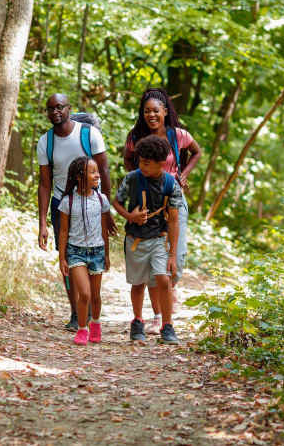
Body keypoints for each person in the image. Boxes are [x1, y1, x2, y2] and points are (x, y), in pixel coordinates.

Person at [123, 88, 201, 331]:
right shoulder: (135, 136)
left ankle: (168, 290)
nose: (151, 115)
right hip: (147, 202)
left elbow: (197, 152)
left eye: (156, 110)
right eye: (147, 111)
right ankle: (159, 316)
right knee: (152, 258)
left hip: (173, 200)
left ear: (165, 111)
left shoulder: (178, 135)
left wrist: (183, 174)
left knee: (176, 258)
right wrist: (137, 179)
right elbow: (127, 160)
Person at [36, 93, 112, 330]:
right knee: (68, 258)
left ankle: (89, 304)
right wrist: (42, 223)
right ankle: (75, 312)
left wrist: (107, 210)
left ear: (69, 108)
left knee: (92, 253)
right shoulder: (45, 142)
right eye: (51, 108)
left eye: (60, 107)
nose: (55, 112)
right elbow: (44, 184)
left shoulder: (89, 135)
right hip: (63, 204)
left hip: (92, 202)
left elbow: (104, 171)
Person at [112, 135, 184, 345]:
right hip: (136, 240)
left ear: (160, 163)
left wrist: (172, 254)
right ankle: (137, 321)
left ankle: (167, 326)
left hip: (159, 239)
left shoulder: (171, 184)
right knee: (138, 283)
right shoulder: (132, 179)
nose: (142, 166)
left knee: (163, 279)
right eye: (140, 161)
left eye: (146, 163)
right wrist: (130, 216)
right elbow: (116, 202)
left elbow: (174, 221)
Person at [58, 156, 112, 345]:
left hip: (97, 251)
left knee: (95, 296)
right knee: (85, 294)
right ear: (80, 176)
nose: (98, 175)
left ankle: (95, 323)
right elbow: (63, 231)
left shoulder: (101, 199)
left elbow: (104, 228)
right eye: (92, 172)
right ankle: (82, 328)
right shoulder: (68, 201)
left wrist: (106, 254)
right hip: (75, 252)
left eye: (98, 171)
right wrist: (62, 258)